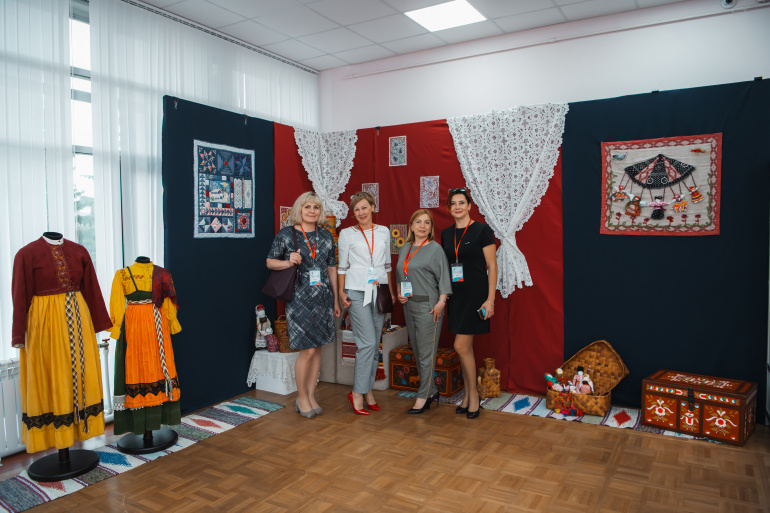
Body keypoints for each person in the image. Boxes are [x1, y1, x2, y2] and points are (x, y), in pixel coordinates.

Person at [267, 192, 340, 419]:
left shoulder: (326, 236)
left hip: (323, 299)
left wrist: (336, 298)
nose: (312, 211)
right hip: (299, 300)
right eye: (307, 206)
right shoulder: (286, 234)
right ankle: (301, 397)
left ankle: (311, 395)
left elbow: (331, 268)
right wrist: (288, 261)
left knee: (317, 349)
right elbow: (270, 262)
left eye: (316, 207)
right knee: (307, 350)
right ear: (300, 209)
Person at [440, 188, 497, 419]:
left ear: (470, 205)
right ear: (449, 208)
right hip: (456, 297)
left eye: (461, 202)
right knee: (466, 349)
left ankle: (473, 395)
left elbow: (492, 266)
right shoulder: (446, 234)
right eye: (453, 203)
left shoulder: (482, 230)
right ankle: (467, 395)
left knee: (461, 346)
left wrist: (490, 300)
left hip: (476, 296)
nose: (457, 207)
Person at [337, 192, 395, 415]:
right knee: (367, 343)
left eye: (364, 207)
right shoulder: (346, 234)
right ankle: (357, 392)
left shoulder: (384, 231)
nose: (361, 212)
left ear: (372, 207)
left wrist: (390, 291)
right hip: (356, 291)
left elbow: (387, 265)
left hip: (379, 291)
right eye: (356, 209)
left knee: (374, 342)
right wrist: (341, 292)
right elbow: (342, 267)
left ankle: (367, 390)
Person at [395, 209, 452, 414]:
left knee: (427, 353)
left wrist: (441, 302)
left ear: (431, 227)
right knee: (418, 352)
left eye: (427, 222)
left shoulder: (435, 249)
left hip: (429, 307)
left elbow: (444, 277)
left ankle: (423, 395)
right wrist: (400, 293)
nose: (422, 226)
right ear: (411, 225)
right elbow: (400, 274)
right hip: (409, 305)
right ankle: (432, 390)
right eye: (418, 221)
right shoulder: (406, 247)